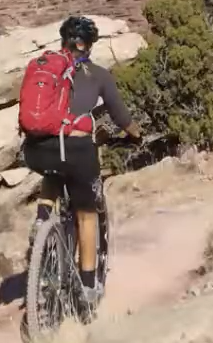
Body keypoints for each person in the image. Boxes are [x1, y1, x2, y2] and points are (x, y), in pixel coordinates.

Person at [19, 15, 141, 299]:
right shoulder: (98, 75)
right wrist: (136, 135)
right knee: (86, 215)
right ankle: (88, 287)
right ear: (87, 45)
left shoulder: (47, 69)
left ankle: (43, 218)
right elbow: (121, 116)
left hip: (37, 149)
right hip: (75, 150)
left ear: (64, 41)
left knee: (53, 170)